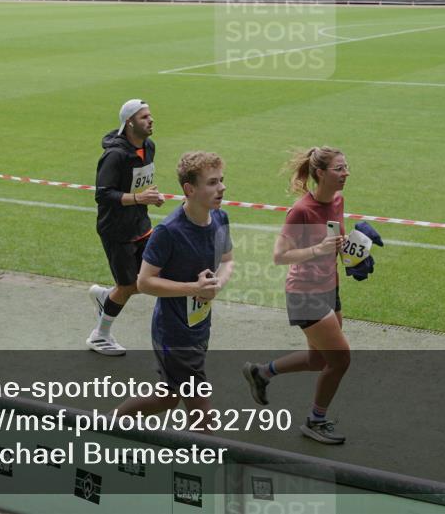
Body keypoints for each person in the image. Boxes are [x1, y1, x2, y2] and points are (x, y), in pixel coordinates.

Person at [115, 152, 233, 426]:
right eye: (213, 182)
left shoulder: (220, 219)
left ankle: (107, 422)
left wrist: (216, 285)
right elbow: (144, 282)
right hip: (173, 332)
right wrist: (194, 287)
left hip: (200, 326)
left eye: (222, 181)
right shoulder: (168, 232)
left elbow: (228, 260)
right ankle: (208, 465)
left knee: (167, 397)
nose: (222, 188)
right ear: (190, 189)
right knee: (201, 408)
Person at [243, 147, 351, 445]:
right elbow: (280, 256)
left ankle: (262, 373)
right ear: (320, 173)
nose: (346, 173)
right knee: (341, 360)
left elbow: (336, 240)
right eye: (339, 169)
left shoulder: (338, 201)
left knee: (319, 360)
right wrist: (318, 250)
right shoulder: (302, 211)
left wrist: (355, 255)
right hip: (305, 294)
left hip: (330, 287)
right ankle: (315, 421)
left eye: (346, 167)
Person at [87, 99, 164, 356]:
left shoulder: (148, 147)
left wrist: (151, 195)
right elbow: (103, 194)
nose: (151, 120)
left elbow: (138, 183)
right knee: (130, 286)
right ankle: (100, 336)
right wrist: (138, 198)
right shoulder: (115, 155)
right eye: (144, 117)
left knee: (149, 278)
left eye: (150, 115)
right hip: (117, 230)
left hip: (141, 224)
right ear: (129, 122)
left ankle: (106, 297)